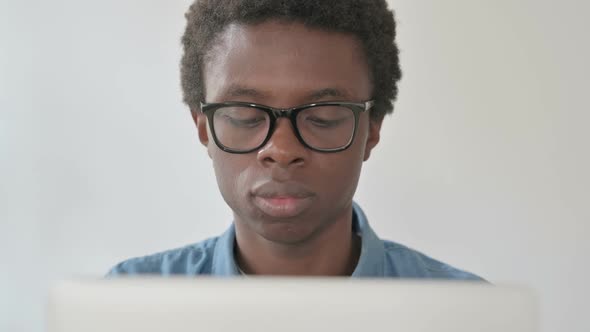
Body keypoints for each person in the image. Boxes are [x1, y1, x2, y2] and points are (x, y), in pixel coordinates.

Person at [108, 0, 482, 279]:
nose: (282, 151)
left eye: (323, 116)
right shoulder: (124, 306)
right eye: (246, 115)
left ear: (372, 129)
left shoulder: (470, 316)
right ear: (204, 128)